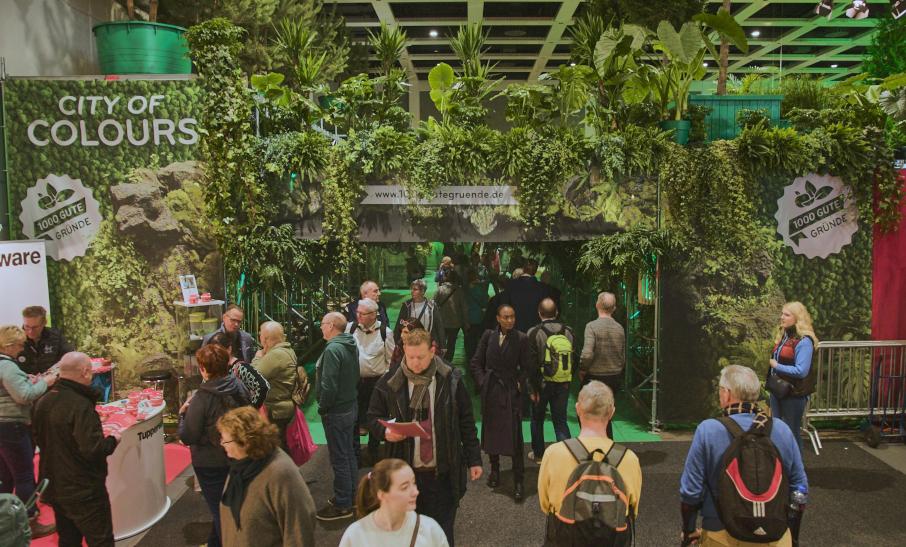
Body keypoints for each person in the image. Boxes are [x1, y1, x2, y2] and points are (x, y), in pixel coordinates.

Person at [367, 328, 483, 546]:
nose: (415, 363)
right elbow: (372, 417)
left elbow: (466, 421)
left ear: (432, 351)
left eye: (420, 357)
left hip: (442, 475)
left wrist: (474, 458)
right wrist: (385, 432)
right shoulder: (390, 381)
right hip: (405, 477)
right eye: (410, 357)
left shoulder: (451, 379)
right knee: (408, 536)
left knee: (441, 535)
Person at [679, 365, 808, 547]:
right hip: (775, 536)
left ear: (726, 394)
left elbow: (690, 493)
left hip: (721, 534)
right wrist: (793, 537)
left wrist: (689, 532)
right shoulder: (782, 430)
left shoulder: (708, 430)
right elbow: (800, 490)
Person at [537, 381, 642, 546]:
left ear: (578, 409)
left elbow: (545, 504)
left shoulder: (554, 453)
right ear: (612, 412)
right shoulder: (629, 459)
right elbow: (632, 510)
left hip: (565, 536)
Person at [33, 352, 119, 547]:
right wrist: (113, 440)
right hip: (83, 488)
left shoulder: (44, 400)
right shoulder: (80, 405)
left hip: (55, 485)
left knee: (68, 539)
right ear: (85, 372)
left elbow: (38, 438)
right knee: (101, 539)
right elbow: (93, 449)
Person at [179, 344, 250, 547]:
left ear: (203, 368)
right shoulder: (238, 387)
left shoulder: (201, 398)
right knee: (230, 507)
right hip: (238, 458)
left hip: (210, 464)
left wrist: (182, 415)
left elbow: (188, 436)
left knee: (220, 512)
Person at [217, 406, 316, 547]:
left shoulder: (281, 474)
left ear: (245, 442)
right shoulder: (240, 467)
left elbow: (299, 530)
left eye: (226, 441)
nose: (222, 444)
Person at [0, 325, 57, 538]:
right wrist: (45, 382)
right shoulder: (8, 366)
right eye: (19, 345)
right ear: (9, 345)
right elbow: (24, 396)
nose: (21, 348)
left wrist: (26, 380)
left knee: (5, 476)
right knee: (24, 476)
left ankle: (5, 520)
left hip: (2, 427)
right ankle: (31, 522)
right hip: (12, 426)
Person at [470, 304, 529, 501]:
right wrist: (482, 381)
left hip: (510, 392)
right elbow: (476, 362)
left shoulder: (521, 338)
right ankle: (494, 471)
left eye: (512, 317)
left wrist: (520, 383)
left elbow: (527, 366)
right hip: (491, 391)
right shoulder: (488, 336)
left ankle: (519, 480)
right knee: (492, 433)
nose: (510, 320)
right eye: (506, 317)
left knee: (515, 437)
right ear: (498, 318)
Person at [340, 458, 449, 547]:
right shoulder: (355, 535)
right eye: (404, 487)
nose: (415, 492)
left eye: (414, 483)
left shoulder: (430, 530)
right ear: (382, 495)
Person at [316, 312, 360, 521]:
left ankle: (343, 504)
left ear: (332, 325)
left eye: (323, 324)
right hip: (350, 405)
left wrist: (323, 407)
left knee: (339, 458)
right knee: (348, 453)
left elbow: (329, 385)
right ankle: (351, 496)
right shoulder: (350, 343)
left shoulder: (333, 349)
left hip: (337, 410)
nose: (321, 327)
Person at [347, 298, 395, 465]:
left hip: (376, 383)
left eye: (362, 313)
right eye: (357, 312)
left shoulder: (385, 332)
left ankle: (373, 451)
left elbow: (391, 360)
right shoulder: (350, 328)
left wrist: (384, 383)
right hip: (355, 382)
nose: (358, 315)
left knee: (375, 417)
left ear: (374, 314)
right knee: (354, 418)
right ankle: (356, 453)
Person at [526, 298, 575, 462]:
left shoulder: (534, 332)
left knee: (537, 419)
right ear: (557, 312)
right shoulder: (568, 332)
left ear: (539, 313)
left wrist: (532, 388)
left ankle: (539, 454)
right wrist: (568, 378)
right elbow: (574, 359)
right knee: (560, 420)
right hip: (563, 383)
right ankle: (567, 457)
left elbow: (531, 365)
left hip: (541, 384)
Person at [768, 302, 817, 452]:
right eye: (782, 313)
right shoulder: (784, 335)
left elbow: (801, 371)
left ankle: (796, 464)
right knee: (777, 430)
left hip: (794, 393)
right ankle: (780, 462)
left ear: (797, 318)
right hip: (778, 390)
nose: (782, 317)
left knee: (791, 432)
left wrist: (776, 366)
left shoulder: (804, 341)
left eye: (787, 315)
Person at [579, 291, 625, 439]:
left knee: (588, 411)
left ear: (597, 305)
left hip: (594, 376)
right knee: (606, 414)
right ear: (614, 308)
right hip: (614, 376)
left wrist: (582, 369)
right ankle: (607, 444)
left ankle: (591, 443)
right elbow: (622, 355)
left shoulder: (591, 326)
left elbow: (587, 354)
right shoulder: (619, 328)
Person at [251, 321, 297, 444]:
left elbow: (253, 377)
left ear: (265, 339)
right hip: (283, 408)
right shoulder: (287, 350)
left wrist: (257, 357)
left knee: (275, 447)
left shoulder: (276, 355)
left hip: (275, 411)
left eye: (260, 335)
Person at [209, 331, 270, 409]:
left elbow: (263, 386)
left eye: (218, 351)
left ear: (229, 349)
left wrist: (250, 409)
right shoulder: (216, 367)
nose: (215, 355)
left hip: (240, 414)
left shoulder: (240, 368)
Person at [395, 279, 446, 357]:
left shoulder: (432, 306)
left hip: (427, 344)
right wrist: (396, 343)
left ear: (422, 291)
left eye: (415, 289)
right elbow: (399, 325)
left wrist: (443, 346)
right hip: (411, 344)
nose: (412, 291)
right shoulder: (406, 306)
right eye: (411, 289)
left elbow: (439, 325)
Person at [20, 305, 74, 375]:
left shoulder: (56, 336)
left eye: (35, 327)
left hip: (53, 378)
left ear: (44, 323)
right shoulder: (16, 339)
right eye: (27, 326)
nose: (30, 331)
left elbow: (69, 357)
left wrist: (52, 372)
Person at [505, 259, 549, 333]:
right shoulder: (542, 288)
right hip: (534, 330)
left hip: (514, 329)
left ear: (523, 269)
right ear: (535, 271)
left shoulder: (510, 285)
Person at [434, 270, 468, 363]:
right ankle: (448, 362)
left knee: (441, 343)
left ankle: (440, 361)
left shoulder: (440, 290)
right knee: (451, 344)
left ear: (446, 278)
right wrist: (466, 322)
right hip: (455, 322)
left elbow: (433, 305)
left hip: (441, 322)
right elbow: (464, 308)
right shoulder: (459, 291)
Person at [463, 269, 489, 364]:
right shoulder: (480, 289)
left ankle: (469, 357)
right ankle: (476, 357)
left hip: (466, 318)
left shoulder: (464, 289)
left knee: (468, 338)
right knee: (477, 338)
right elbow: (485, 302)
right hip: (478, 317)